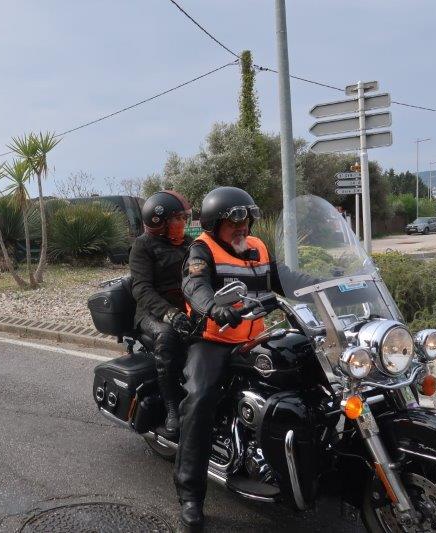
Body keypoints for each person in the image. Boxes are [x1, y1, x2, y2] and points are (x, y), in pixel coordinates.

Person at [176, 186, 315, 528]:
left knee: (312, 374)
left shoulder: (257, 247)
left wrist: (327, 285)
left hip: (255, 340)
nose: (242, 227)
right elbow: (195, 286)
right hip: (214, 340)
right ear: (214, 225)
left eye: (246, 221)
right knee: (200, 399)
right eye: (233, 222)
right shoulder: (201, 250)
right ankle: (190, 494)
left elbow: (286, 279)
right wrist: (213, 307)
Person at [129, 190, 193, 440]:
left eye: (184, 218)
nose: (183, 223)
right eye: (178, 218)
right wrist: (169, 313)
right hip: (152, 313)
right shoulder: (143, 246)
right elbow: (141, 288)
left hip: (187, 310)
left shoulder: (190, 244)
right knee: (168, 337)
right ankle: (172, 408)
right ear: (160, 222)